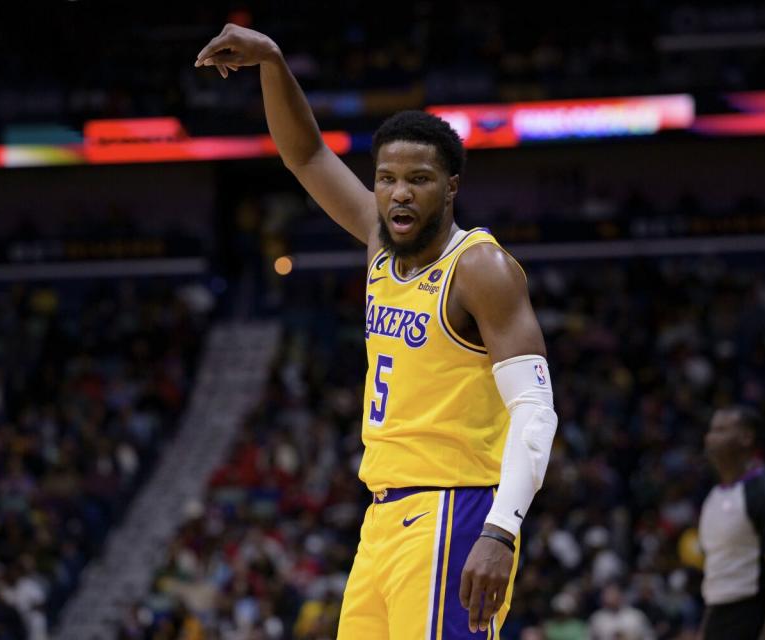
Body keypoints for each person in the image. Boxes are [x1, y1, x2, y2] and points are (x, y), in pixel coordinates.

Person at [196, 24, 558, 639]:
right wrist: (273, 63)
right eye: (387, 177)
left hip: (455, 506)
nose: (397, 192)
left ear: (451, 187)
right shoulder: (379, 241)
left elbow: (536, 408)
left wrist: (501, 529)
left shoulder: (480, 267)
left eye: (417, 179)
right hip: (384, 516)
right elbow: (306, 155)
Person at [699, 406, 765, 640]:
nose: (709, 437)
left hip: (755, 618)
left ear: (746, 437)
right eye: (711, 430)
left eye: (721, 430)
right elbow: (718, 573)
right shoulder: (713, 498)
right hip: (719, 618)